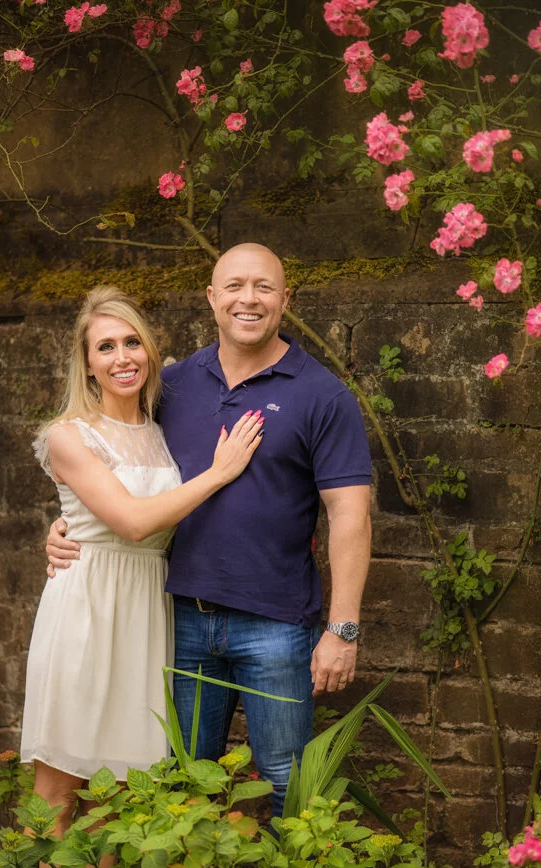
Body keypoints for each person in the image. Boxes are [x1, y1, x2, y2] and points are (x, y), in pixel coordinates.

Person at [46, 245, 372, 817]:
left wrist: (342, 630)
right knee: (181, 791)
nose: (249, 299)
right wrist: (68, 529)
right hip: (181, 622)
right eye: (235, 286)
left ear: (285, 300)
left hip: (274, 624)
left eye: (264, 288)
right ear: (212, 297)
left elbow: (350, 513)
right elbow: (117, 470)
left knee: (285, 786)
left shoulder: (324, 395)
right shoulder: (168, 387)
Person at [22, 285, 263, 835]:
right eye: (105, 347)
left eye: (132, 342)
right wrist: (220, 472)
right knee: (59, 789)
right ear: (86, 365)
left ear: (151, 352)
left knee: (127, 794)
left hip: (147, 609)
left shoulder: (162, 428)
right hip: (86, 608)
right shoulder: (69, 435)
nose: (121, 356)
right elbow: (130, 522)